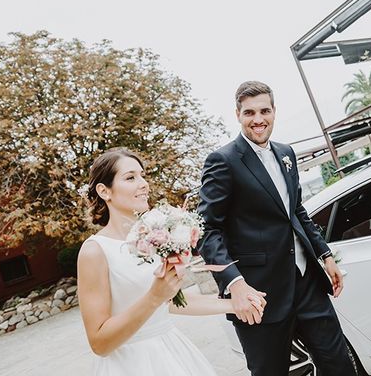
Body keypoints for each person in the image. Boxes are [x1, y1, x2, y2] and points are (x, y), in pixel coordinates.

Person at [197, 81, 357, 376]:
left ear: (274, 111)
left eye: (264, 111)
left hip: (307, 281)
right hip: (258, 294)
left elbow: (295, 210)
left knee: (340, 366)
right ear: (238, 114)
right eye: (249, 113)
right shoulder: (223, 161)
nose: (258, 119)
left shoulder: (286, 154)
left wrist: (325, 255)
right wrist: (236, 284)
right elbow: (208, 230)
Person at [77, 148, 265, 376]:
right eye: (130, 178)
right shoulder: (95, 250)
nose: (143, 183)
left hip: (173, 352)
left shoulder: (151, 239)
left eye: (143, 176)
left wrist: (235, 304)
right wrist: (153, 297)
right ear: (104, 191)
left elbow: (171, 302)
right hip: (130, 364)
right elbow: (99, 343)